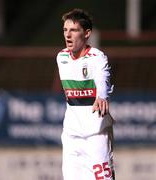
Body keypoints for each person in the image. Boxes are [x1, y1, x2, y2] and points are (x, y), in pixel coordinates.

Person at [56, 8, 115, 180]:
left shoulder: (97, 57)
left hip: (96, 135)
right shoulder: (61, 57)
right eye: (65, 30)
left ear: (87, 33)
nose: (68, 35)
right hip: (71, 136)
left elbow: (103, 76)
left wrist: (102, 95)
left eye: (74, 30)